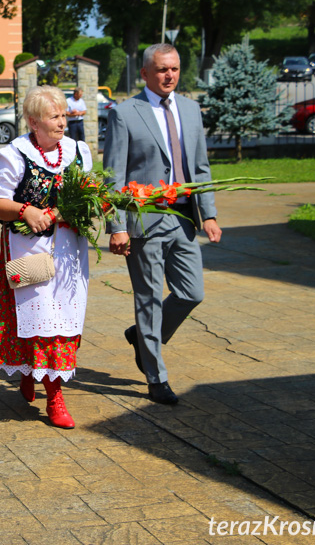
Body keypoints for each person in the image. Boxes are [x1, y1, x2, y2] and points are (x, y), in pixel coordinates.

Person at [103, 43, 222, 405]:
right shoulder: (125, 113)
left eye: (174, 69)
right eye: (161, 70)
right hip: (144, 220)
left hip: (184, 218)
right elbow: (113, 176)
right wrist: (117, 225)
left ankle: (142, 337)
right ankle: (156, 376)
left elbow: (200, 167)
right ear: (144, 74)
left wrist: (210, 213)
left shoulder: (190, 108)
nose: (169, 75)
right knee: (149, 299)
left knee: (191, 292)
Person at [0, 86, 92, 429]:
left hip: (70, 251)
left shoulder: (78, 151)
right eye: (54, 117)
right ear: (33, 122)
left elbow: (92, 192)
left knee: (66, 317)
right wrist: (26, 210)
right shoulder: (16, 154)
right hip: (28, 250)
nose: (62, 122)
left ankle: (34, 373)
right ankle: (55, 398)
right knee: (41, 319)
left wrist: (90, 207)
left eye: (64, 115)